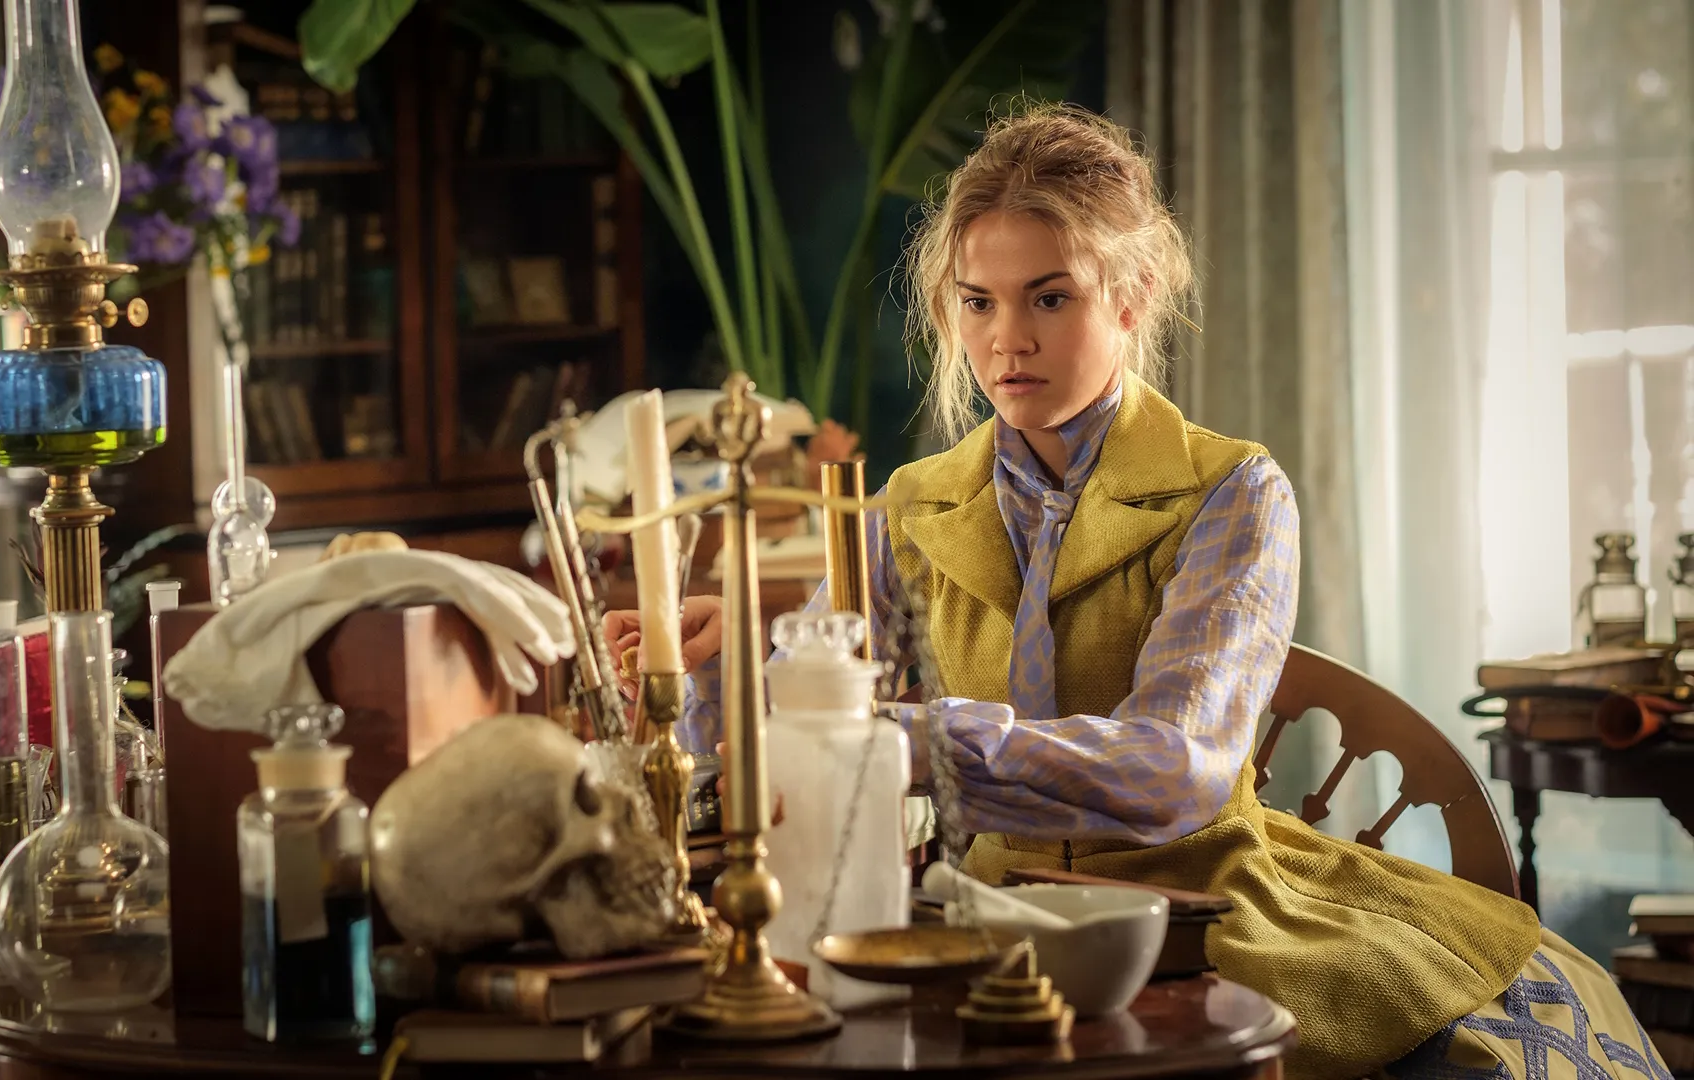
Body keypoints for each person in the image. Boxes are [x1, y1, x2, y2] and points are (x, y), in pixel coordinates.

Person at [603, 104, 1666, 1079]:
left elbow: (1178, 772)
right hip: (981, 917)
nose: (1006, 339)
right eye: (977, 302)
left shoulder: (1233, 492)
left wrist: (915, 738)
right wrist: (728, 669)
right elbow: (808, 744)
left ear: (1134, 293)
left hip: (1208, 910)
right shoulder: (909, 508)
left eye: (1049, 297)